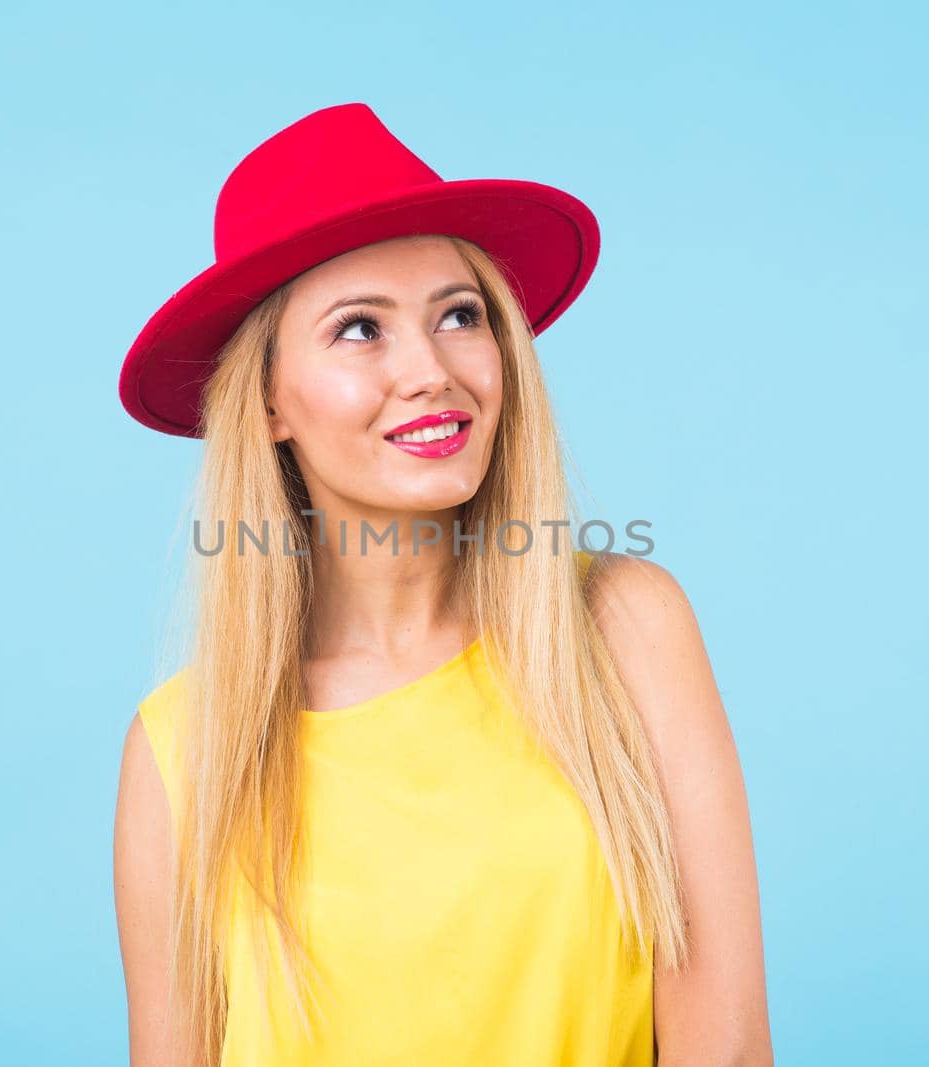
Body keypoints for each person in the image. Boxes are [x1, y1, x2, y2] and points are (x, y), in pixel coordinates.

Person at [112, 102, 772, 1067]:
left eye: (458, 315)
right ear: (266, 400)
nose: (429, 371)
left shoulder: (626, 629)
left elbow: (729, 1045)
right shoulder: (183, 750)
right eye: (359, 330)